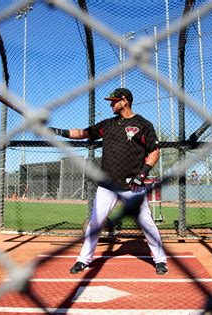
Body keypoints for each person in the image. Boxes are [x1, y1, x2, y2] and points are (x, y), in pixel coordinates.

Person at [49, 88, 168, 275]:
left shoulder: (143, 124)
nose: (111, 104)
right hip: (108, 185)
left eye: (114, 101)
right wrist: (57, 131)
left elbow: (154, 152)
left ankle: (160, 260)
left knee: (147, 223)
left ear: (125, 101)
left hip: (133, 185)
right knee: (95, 223)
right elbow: (83, 133)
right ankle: (83, 260)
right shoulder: (108, 125)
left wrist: (143, 174)